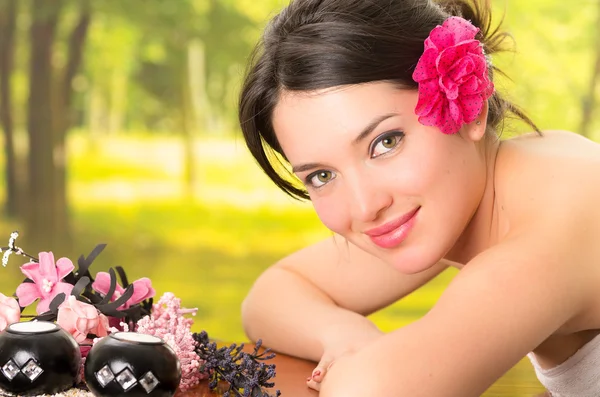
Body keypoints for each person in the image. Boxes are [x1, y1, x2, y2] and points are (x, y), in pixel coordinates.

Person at [238, 0, 600, 396]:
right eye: (322, 176)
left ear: (470, 105)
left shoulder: (553, 225)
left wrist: (365, 366)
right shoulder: (460, 200)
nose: (364, 206)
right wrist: (344, 335)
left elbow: (368, 391)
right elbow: (273, 295)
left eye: (386, 143)